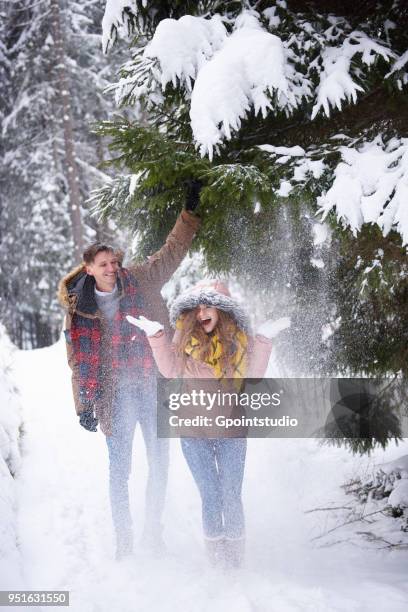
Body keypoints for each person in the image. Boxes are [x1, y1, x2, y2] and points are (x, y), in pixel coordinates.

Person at [58, 200, 200, 561]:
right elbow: (79, 362)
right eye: (103, 264)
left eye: (114, 262)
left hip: (153, 387)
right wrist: (84, 405)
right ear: (89, 269)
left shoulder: (138, 279)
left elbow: (171, 252)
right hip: (115, 395)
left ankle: (154, 533)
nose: (111, 268)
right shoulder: (80, 309)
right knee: (119, 470)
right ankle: (125, 540)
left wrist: (189, 215)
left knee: (160, 463)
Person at [127, 280, 290, 568]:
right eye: (197, 306)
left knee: (230, 494)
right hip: (194, 431)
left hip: (232, 430)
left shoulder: (240, 340)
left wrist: (263, 340)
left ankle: (236, 564)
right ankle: (218, 563)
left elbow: (253, 376)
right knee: (211, 495)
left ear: (221, 310)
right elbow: (169, 370)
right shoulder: (183, 340)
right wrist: (157, 337)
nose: (202, 311)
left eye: (209, 305)